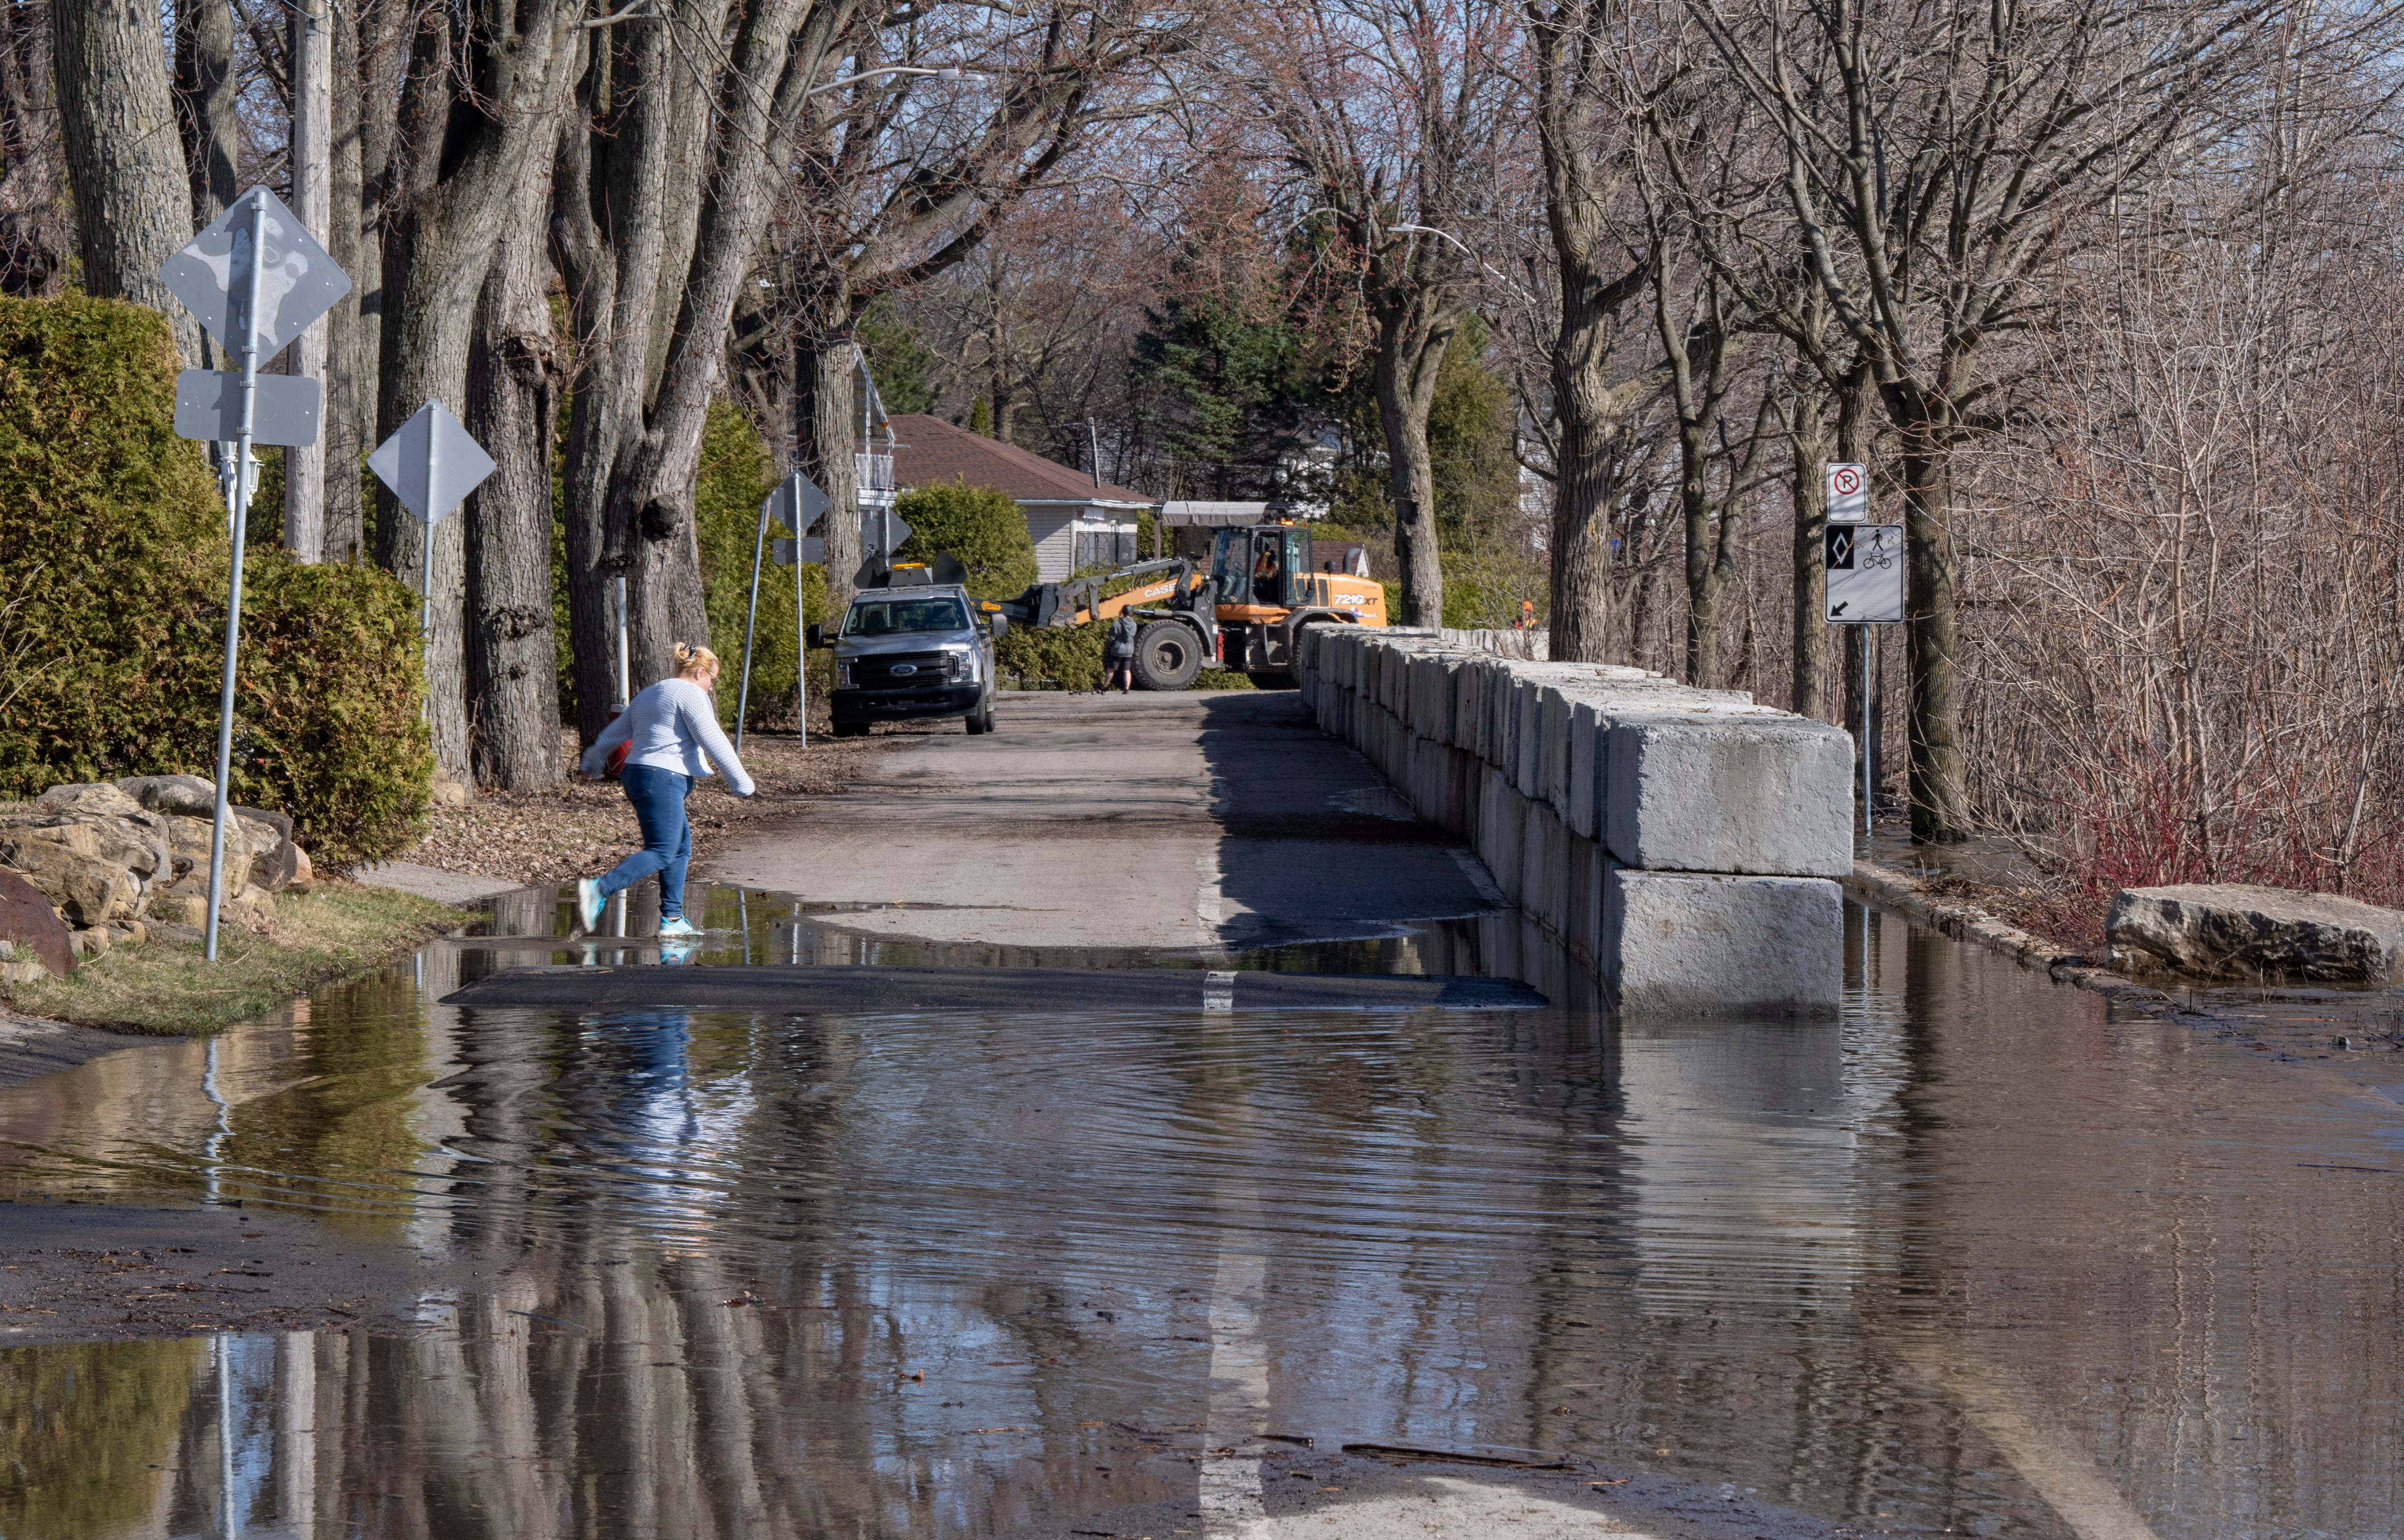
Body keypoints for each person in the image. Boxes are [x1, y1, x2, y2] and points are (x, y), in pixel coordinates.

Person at [574, 643, 755, 938]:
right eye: (713, 680)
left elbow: (615, 733)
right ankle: (599, 888)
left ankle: (672, 920)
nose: (712, 687)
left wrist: (593, 760)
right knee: (662, 850)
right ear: (700, 672)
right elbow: (713, 739)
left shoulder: (651, 692)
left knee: (680, 847)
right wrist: (741, 783)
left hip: (638, 774)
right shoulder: (691, 694)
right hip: (662, 778)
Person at [1102, 611, 1139, 693]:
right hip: (1129, 651)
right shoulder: (1134, 625)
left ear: (1121, 613)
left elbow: (1111, 637)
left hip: (1117, 650)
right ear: (1131, 613)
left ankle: (1105, 687)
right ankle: (1126, 689)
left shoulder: (1116, 624)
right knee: (1126, 670)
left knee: (1111, 670)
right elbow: (1132, 635)